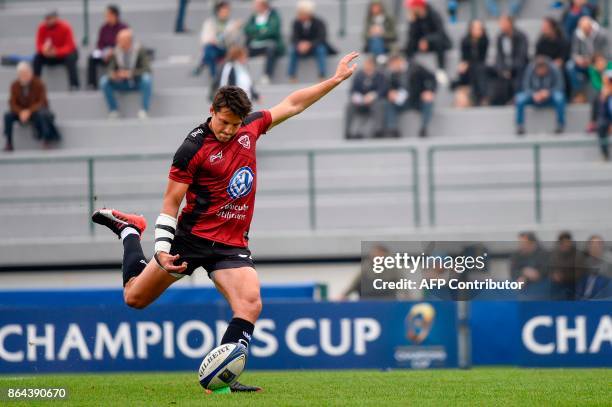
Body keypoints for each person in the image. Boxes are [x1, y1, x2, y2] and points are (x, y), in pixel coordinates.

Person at [91, 52, 360, 393]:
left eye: (235, 124)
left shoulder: (249, 128)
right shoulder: (191, 149)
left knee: (250, 302)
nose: (229, 130)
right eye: (224, 122)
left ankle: (223, 381)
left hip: (231, 244)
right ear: (212, 112)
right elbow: (171, 201)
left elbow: (292, 103)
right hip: (191, 239)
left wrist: (334, 80)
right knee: (134, 298)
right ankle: (129, 231)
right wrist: (160, 249)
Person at [3, 62, 60, 152]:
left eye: (26, 73)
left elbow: (42, 102)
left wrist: (29, 111)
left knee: (42, 114)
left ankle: (46, 140)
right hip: (21, 112)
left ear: (30, 73)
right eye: (22, 74)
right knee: (7, 116)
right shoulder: (14, 85)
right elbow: (12, 103)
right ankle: (9, 143)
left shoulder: (39, 83)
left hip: (35, 112)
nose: (24, 76)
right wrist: (21, 112)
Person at [99, 29, 152, 119]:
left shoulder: (139, 50)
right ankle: (113, 110)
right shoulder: (116, 51)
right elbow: (109, 71)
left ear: (128, 40)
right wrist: (115, 75)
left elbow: (147, 69)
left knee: (147, 79)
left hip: (136, 82)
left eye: (120, 39)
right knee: (104, 81)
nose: (117, 41)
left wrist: (130, 74)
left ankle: (144, 110)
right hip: (121, 83)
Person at [383, 54, 436, 138]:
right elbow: (390, 88)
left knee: (428, 102)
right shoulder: (393, 74)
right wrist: (391, 93)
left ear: (398, 62)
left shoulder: (416, 68)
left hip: (417, 99)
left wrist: (430, 91)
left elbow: (432, 77)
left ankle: (424, 128)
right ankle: (393, 129)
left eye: (392, 65)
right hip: (403, 101)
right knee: (388, 104)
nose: (392, 68)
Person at [404, 0, 452, 86]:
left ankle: (441, 69)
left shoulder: (433, 14)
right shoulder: (415, 18)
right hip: (422, 44)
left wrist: (426, 40)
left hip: (437, 42)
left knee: (439, 42)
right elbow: (412, 36)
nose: (410, 9)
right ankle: (408, 65)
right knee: (408, 45)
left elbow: (440, 32)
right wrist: (412, 22)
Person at [515, 56, 566, 135]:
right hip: (534, 96)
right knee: (520, 98)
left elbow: (560, 86)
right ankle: (520, 125)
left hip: (550, 95)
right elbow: (525, 86)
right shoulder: (530, 69)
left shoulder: (555, 69)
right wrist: (533, 94)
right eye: (539, 70)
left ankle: (560, 125)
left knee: (559, 98)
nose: (541, 72)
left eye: (543, 70)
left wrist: (548, 92)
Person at [288, 0, 336, 82]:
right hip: (300, 48)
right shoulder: (296, 23)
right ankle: (292, 75)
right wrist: (300, 44)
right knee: (292, 50)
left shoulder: (319, 22)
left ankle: (322, 75)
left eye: (301, 13)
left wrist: (309, 44)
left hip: (315, 47)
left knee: (321, 49)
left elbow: (322, 38)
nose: (299, 15)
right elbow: (293, 38)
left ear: (308, 14)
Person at [33, 10, 80, 90]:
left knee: (71, 58)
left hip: (63, 55)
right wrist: (44, 51)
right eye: (46, 19)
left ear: (56, 18)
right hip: (49, 55)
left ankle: (74, 85)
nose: (48, 21)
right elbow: (39, 44)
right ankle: (35, 86)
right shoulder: (42, 28)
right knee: (37, 58)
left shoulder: (65, 27)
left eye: (50, 18)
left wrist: (56, 52)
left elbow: (70, 46)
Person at [193, 1, 242, 78]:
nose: (226, 14)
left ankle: (203, 63)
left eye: (227, 11)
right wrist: (226, 33)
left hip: (226, 48)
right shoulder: (209, 23)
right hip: (214, 49)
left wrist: (233, 30)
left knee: (211, 52)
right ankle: (214, 76)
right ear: (218, 12)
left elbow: (233, 40)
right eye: (224, 12)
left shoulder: (231, 23)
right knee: (209, 50)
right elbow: (206, 40)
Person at [566, 16, 610, 101]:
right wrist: (578, 59)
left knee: (598, 68)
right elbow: (574, 52)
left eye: (586, 29)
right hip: (584, 62)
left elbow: (607, 52)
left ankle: (604, 92)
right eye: (583, 29)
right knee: (570, 66)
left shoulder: (602, 34)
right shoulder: (577, 34)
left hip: (599, 62)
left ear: (591, 27)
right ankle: (580, 93)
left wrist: (596, 61)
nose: (585, 32)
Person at [344, 55, 387, 139]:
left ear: (374, 66)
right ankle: (348, 132)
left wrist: (373, 95)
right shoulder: (359, 75)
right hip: (360, 102)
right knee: (349, 106)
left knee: (379, 105)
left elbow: (383, 89)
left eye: (370, 65)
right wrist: (356, 97)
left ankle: (378, 131)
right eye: (366, 64)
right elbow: (352, 90)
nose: (367, 67)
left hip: (374, 102)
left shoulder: (380, 76)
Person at [87, 5, 128, 90]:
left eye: (108, 15)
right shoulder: (103, 28)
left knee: (119, 56)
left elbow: (125, 44)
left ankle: (118, 82)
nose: (106, 17)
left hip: (118, 53)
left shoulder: (123, 27)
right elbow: (99, 44)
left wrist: (113, 51)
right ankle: (92, 84)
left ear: (114, 15)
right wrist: (103, 52)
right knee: (92, 56)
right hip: (104, 53)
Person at [490, 15, 528, 106]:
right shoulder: (500, 37)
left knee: (520, 71)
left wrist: (510, 69)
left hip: (518, 66)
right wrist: (502, 69)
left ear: (510, 23)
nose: (501, 25)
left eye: (503, 23)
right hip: (505, 67)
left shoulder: (521, 36)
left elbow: (522, 56)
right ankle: (495, 100)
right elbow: (499, 56)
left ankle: (517, 98)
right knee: (490, 71)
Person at [244, 0, 285, 85]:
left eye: (257, 5)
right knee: (243, 52)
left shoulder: (274, 15)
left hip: (270, 44)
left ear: (263, 6)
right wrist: (261, 30)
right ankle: (247, 77)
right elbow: (247, 29)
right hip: (255, 45)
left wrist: (257, 34)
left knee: (271, 48)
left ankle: (267, 75)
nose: (255, 7)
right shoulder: (254, 16)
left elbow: (273, 31)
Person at [451, 19, 489, 107]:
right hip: (468, 66)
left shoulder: (484, 40)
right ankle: (464, 96)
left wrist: (468, 63)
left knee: (479, 70)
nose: (477, 31)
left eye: (479, 28)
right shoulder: (465, 40)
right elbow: (464, 57)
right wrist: (464, 64)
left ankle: (481, 97)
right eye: (475, 28)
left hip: (479, 65)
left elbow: (481, 58)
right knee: (463, 70)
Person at [586, 54, 612, 133]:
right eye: (598, 61)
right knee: (597, 99)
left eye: (602, 60)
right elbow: (596, 83)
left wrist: (608, 90)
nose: (601, 63)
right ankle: (594, 122)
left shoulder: (610, 66)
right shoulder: (593, 70)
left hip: (609, 90)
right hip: (604, 91)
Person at [593, 70, 612, 160]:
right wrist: (603, 99)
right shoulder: (602, 95)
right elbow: (602, 113)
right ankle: (605, 154)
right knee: (601, 125)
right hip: (608, 120)